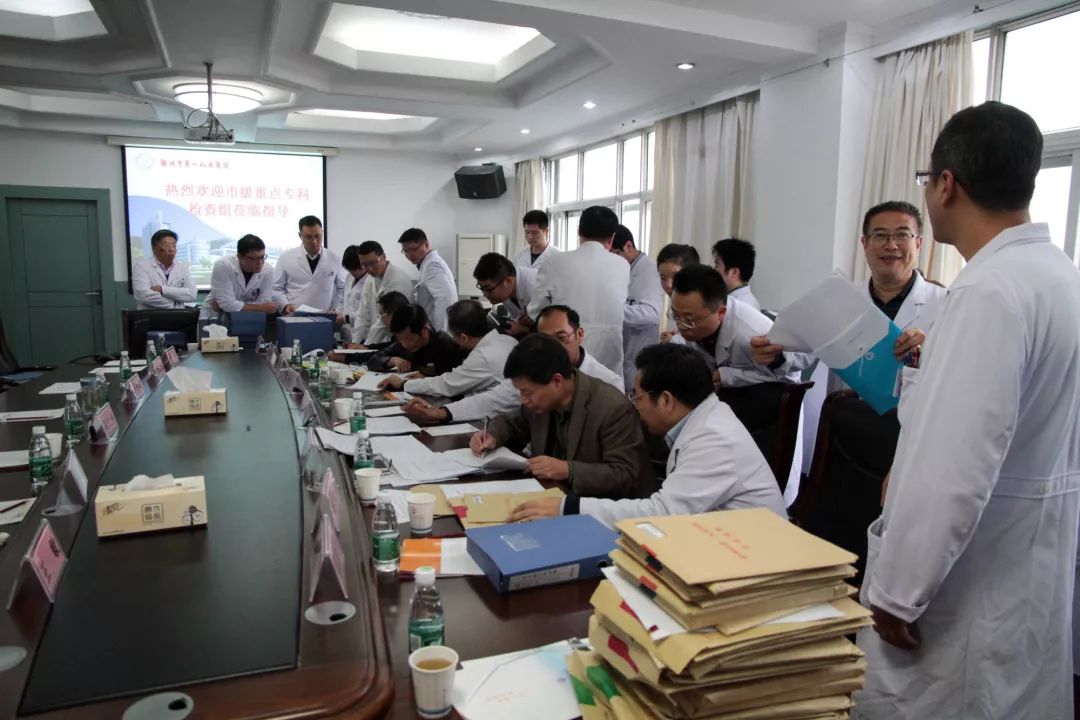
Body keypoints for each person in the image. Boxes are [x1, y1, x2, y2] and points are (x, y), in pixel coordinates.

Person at [853, 102, 1080, 720]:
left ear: (946, 184)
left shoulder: (987, 290)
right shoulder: (1058, 275)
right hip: (1028, 560)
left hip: (970, 577)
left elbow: (954, 463)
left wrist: (899, 590)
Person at [509, 343, 785, 526]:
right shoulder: (704, 420)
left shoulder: (715, 438)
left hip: (754, 558)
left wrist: (567, 507)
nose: (634, 406)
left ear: (666, 400)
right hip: (716, 537)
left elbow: (663, 513)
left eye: (637, 397)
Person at [750, 202, 947, 391]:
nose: (891, 245)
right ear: (865, 243)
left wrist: (928, 350)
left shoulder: (945, 303)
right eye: (880, 235)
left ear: (918, 243)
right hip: (846, 410)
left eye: (902, 235)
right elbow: (803, 352)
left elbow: (957, 369)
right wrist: (773, 354)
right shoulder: (840, 301)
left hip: (916, 412)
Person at [469, 334, 653, 498]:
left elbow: (625, 474)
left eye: (528, 392)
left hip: (600, 509)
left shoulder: (612, 408)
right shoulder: (540, 402)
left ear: (556, 381)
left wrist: (568, 470)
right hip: (550, 497)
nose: (523, 400)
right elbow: (513, 423)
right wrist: (491, 435)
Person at [404, 304, 623, 424]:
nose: (553, 348)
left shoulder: (609, 383)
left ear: (580, 335)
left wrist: (568, 469)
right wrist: (441, 413)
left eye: (562, 338)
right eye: (545, 340)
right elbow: (494, 400)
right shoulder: (533, 368)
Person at [671, 264, 810, 386]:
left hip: (773, 392)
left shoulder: (751, 332)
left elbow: (798, 362)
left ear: (721, 312)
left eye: (688, 320)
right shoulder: (696, 322)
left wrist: (726, 376)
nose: (680, 326)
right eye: (675, 315)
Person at [528, 206, 629, 374]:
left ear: (579, 231)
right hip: (610, 355)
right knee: (608, 389)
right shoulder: (623, 265)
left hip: (566, 351)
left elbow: (535, 312)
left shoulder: (554, 262)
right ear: (612, 237)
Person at [378, 300, 516, 398]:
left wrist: (403, 383)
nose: (453, 340)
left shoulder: (482, 356)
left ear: (464, 337)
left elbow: (447, 385)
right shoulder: (508, 340)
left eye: (453, 335)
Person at [611, 225, 664, 391]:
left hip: (638, 358)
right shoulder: (622, 270)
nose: (611, 260)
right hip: (622, 356)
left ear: (628, 246)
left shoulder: (650, 271)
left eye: (614, 254)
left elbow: (651, 314)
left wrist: (613, 310)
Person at [273, 215, 345, 314]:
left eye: (317, 236)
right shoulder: (286, 257)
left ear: (322, 233)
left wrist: (336, 308)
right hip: (294, 315)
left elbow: (342, 287)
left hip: (325, 316)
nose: (314, 241)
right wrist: (285, 305)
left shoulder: (334, 258)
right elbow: (276, 288)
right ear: (300, 236)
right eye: (309, 237)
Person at [349, 240, 416, 346]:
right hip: (377, 342)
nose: (369, 269)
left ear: (383, 257)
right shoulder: (370, 279)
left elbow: (384, 321)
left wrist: (366, 346)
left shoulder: (398, 279)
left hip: (398, 341)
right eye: (364, 265)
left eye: (372, 263)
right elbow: (363, 315)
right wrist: (354, 344)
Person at [366, 304, 464, 375]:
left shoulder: (445, 345)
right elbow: (373, 360)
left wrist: (425, 379)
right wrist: (392, 360)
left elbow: (450, 383)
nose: (404, 345)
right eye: (400, 339)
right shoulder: (402, 343)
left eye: (409, 339)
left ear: (424, 329)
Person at [199, 234, 278, 320]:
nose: (260, 263)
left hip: (249, 318)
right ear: (240, 257)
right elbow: (227, 303)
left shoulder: (268, 270)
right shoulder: (223, 265)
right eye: (254, 259)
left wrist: (230, 305)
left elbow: (264, 302)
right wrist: (260, 307)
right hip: (216, 316)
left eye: (262, 257)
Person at [398, 228, 456, 334]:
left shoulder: (432, 266)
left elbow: (444, 298)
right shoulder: (427, 264)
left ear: (426, 244)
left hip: (437, 331)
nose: (409, 255)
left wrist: (440, 332)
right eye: (405, 251)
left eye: (413, 249)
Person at [473, 252, 538, 337]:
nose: (485, 294)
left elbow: (553, 328)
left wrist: (525, 329)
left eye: (488, 289)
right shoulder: (505, 290)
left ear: (508, 281)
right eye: (482, 288)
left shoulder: (536, 286)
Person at [132, 229, 196, 309]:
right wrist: (175, 304)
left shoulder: (182, 268)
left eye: (174, 245)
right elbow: (143, 295)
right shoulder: (141, 267)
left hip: (179, 315)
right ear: (154, 248)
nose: (171, 249)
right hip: (151, 315)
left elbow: (192, 294)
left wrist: (162, 289)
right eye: (167, 245)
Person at [656, 243, 700, 340]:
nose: (669, 285)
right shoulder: (678, 302)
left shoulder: (702, 305)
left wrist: (674, 340)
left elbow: (700, 342)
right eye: (663, 278)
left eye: (676, 277)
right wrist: (676, 336)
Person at [711, 238, 762, 311]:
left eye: (717, 265)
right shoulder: (741, 299)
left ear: (734, 272)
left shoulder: (740, 306)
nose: (714, 270)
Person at [339, 245, 368, 339]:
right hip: (348, 332)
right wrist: (337, 312)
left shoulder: (371, 280)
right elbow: (344, 301)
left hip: (363, 333)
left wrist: (346, 318)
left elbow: (367, 312)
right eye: (351, 270)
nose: (354, 273)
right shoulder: (349, 277)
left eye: (356, 269)